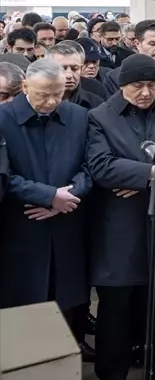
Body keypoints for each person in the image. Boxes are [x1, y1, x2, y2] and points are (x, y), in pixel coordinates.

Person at [85, 54, 155, 380]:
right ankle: (113, 374)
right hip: (119, 226)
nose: (144, 93)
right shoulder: (100, 117)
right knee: (117, 304)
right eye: (136, 86)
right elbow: (102, 166)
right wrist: (153, 176)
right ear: (121, 85)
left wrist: (142, 178)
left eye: (151, 86)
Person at [0, 58, 93, 363]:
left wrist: (67, 198)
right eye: (43, 95)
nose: (52, 102)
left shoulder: (78, 116)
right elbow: (5, 176)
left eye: (58, 94)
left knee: (69, 306)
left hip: (68, 224)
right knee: (25, 306)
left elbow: (90, 167)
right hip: (22, 230)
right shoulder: (4, 118)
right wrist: (48, 196)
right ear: (25, 86)